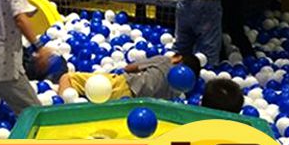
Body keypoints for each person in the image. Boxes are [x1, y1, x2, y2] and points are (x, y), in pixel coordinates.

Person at [58, 51, 201, 101]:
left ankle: (60, 108)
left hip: (126, 87)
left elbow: (129, 68)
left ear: (177, 58)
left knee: (68, 78)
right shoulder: (177, 91)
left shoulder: (165, 60)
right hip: (141, 106)